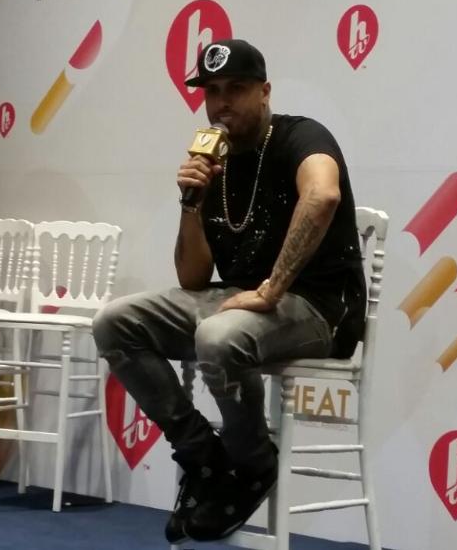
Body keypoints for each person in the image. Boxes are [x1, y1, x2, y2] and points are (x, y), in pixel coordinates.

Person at [92, 38, 365, 543]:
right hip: (237, 299)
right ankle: (202, 455)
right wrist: (190, 201)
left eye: (235, 88)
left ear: (264, 92)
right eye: (212, 91)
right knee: (115, 322)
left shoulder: (300, 135)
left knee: (218, 337)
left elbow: (323, 194)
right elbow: (194, 280)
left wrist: (272, 288)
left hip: (318, 308)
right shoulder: (213, 162)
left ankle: (252, 464)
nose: (222, 103)